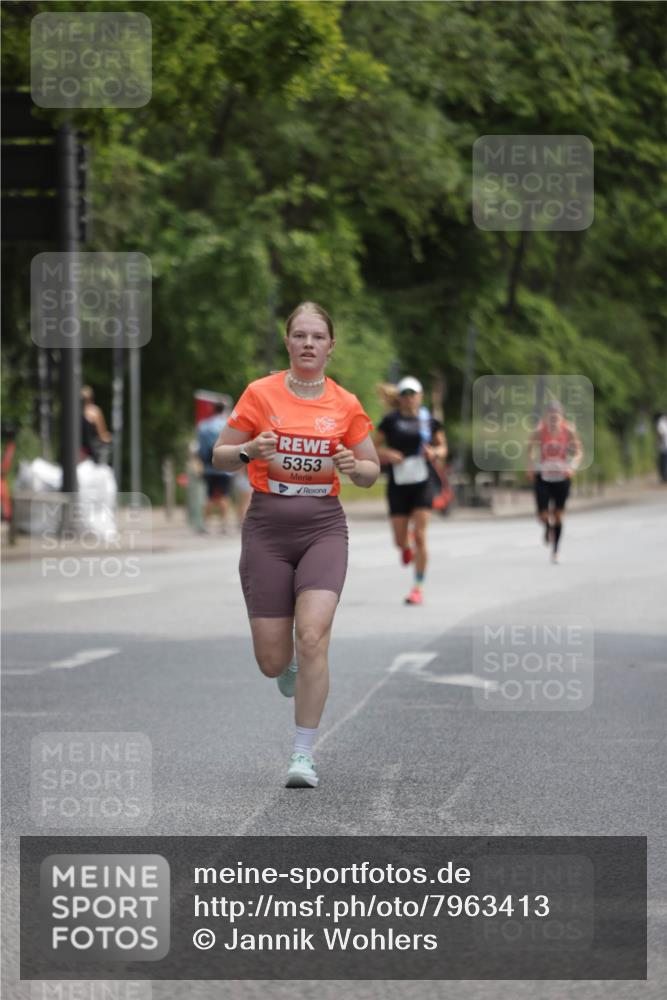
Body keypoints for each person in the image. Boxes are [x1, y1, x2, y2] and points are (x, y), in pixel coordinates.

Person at [212, 301, 380, 788]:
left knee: (312, 636)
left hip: (323, 528)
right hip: (267, 526)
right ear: (288, 343)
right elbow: (219, 455)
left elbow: (370, 471)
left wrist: (354, 467)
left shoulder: (345, 403)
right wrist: (249, 450)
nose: (308, 344)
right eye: (300, 335)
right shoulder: (260, 394)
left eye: (317, 337)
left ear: (331, 346)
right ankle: (285, 665)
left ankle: (303, 755)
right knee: (271, 662)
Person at [373, 377, 447, 605]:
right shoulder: (390, 421)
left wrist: (434, 454)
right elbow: (372, 447)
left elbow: (443, 448)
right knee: (399, 540)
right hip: (398, 483)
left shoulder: (429, 421)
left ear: (420, 396)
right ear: (400, 397)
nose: (408, 398)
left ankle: (417, 587)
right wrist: (387, 455)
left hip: (423, 482)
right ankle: (406, 545)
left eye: (413, 393)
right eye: (404, 394)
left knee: (422, 536)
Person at [527, 399, 583, 563]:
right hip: (544, 476)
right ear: (546, 416)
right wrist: (531, 466)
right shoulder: (539, 431)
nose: (553, 418)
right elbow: (530, 450)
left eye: (556, 415)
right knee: (543, 515)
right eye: (550, 415)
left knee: (558, 515)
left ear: (561, 416)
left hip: (562, 476)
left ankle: (556, 551)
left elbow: (578, 452)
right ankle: (547, 527)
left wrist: (572, 466)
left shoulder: (569, 431)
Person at [197, 402, 233, 533]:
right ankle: (224, 525)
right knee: (224, 496)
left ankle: (205, 525)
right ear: (224, 410)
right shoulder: (228, 425)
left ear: (213, 409)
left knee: (209, 496)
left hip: (209, 466)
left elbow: (200, 448)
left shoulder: (204, 426)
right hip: (225, 467)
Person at [81, 386, 112, 464]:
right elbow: (102, 434)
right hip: (89, 451)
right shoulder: (95, 412)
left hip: (79, 449)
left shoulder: (74, 412)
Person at [656, 412, 667, 483]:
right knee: (663, 462)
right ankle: (663, 477)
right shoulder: (662, 421)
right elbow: (659, 433)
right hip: (663, 446)